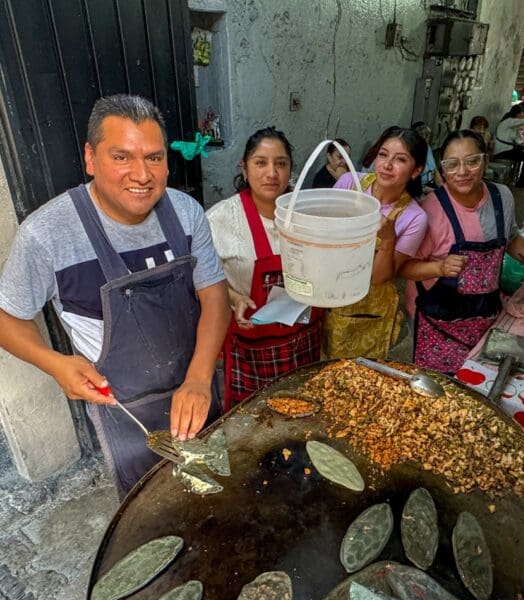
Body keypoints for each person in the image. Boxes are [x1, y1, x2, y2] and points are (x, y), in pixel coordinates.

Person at [0, 94, 230, 498]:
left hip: (198, 389)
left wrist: (199, 377)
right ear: (90, 158)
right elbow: (7, 317)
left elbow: (214, 295)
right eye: (121, 157)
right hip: (125, 415)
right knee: (151, 514)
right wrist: (54, 363)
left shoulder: (187, 213)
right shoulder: (47, 234)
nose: (142, 174)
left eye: (154, 158)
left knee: (220, 496)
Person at [401, 130, 524, 375]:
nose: (462, 171)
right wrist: (440, 267)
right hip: (437, 324)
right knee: (439, 390)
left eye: (472, 161)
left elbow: (511, 239)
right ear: (442, 170)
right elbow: (404, 267)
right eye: (452, 164)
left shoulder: (502, 198)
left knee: (480, 382)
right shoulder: (429, 212)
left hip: (485, 315)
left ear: (485, 160)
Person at [206, 128, 322, 408]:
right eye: (260, 162)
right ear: (244, 169)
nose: (272, 172)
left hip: (305, 338)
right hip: (252, 347)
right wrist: (234, 298)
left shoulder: (309, 216)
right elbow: (206, 278)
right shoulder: (219, 220)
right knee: (256, 419)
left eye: (281, 163)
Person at [322, 126, 428, 359]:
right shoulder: (350, 184)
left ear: (416, 170)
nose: (387, 165)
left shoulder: (414, 217)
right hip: (327, 295)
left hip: (367, 312)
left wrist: (389, 239)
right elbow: (322, 236)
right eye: (383, 154)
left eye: (400, 159)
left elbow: (380, 277)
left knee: (356, 380)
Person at [411, 121, 443, 191]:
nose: (425, 139)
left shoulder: (428, 148)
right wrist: (433, 191)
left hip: (431, 185)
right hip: (420, 189)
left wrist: (442, 189)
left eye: (427, 135)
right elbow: (411, 185)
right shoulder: (412, 154)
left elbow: (435, 171)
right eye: (422, 136)